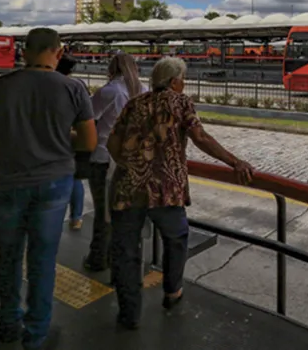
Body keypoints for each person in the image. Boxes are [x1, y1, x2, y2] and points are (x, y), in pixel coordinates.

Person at [0, 28, 96, 350]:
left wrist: (9, 139)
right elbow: (89, 142)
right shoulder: (73, 88)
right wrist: (55, 139)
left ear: (24, 51)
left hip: (9, 184)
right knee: (42, 260)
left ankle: (8, 323)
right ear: (59, 51)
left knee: (8, 257)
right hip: (54, 185)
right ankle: (36, 333)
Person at [106, 56, 254, 330]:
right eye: (182, 78)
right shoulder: (181, 102)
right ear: (175, 81)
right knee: (176, 239)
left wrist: (129, 164)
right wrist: (235, 162)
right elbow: (201, 138)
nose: (183, 83)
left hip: (127, 189)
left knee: (126, 251)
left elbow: (112, 142)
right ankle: (172, 291)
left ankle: (129, 314)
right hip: (165, 189)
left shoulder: (134, 102)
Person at [83, 53, 146, 272]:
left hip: (103, 157)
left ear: (112, 69)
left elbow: (87, 117)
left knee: (104, 212)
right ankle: (120, 256)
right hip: (131, 160)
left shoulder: (109, 91)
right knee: (124, 211)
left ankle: (98, 257)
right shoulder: (143, 91)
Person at [54, 54, 89, 231]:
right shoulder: (78, 85)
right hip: (74, 134)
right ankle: (76, 218)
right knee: (75, 178)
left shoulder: (51, 85)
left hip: (54, 136)